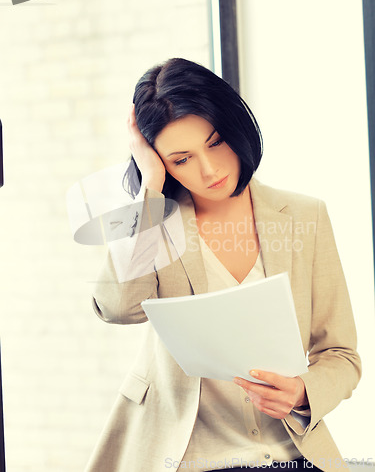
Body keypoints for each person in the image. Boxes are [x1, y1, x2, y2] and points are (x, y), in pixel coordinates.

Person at [85, 58, 361, 472]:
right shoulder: (155, 222)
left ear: (235, 125)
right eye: (181, 159)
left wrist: (302, 392)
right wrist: (150, 186)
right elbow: (117, 307)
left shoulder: (305, 216)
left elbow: (341, 354)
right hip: (184, 457)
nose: (210, 170)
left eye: (215, 143)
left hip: (290, 455)